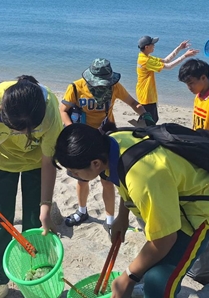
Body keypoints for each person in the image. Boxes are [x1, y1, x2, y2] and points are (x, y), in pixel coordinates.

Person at [53, 124, 209, 298]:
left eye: (74, 172)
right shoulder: (111, 142)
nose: (73, 175)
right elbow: (124, 177)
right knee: (149, 264)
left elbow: (165, 239)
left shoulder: (143, 178)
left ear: (95, 163)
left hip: (198, 210)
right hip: (169, 196)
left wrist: (129, 276)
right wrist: (122, 217)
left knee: (157, 283)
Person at [0, 75, 62, 298]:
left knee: (37, 225)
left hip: (37, 164)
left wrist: (46, 205)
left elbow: (49, 160)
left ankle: (35, 277)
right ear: (2, 110)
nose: (24, 134)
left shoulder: (50, 109)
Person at [59, 58, 154, 231]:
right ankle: (82, 211)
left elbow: (134, 103)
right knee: (82, 180)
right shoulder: (76, 87)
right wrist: (72, 130)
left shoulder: (115, 87)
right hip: (83, 142)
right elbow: (63, 110)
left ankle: (109, 219)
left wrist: (144, 114)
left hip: (106, 138)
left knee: (108, 182)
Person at [136, 36, 199, 123]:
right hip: (146, 95)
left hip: (147, 94)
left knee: (152, 119)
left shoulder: (146, 57)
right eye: (152, 44)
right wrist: (185, 56)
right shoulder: (145, 60)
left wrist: (179, 48)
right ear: (146, 47)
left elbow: (166, 60)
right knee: (149, 121)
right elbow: (169, 66)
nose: (154, 46)